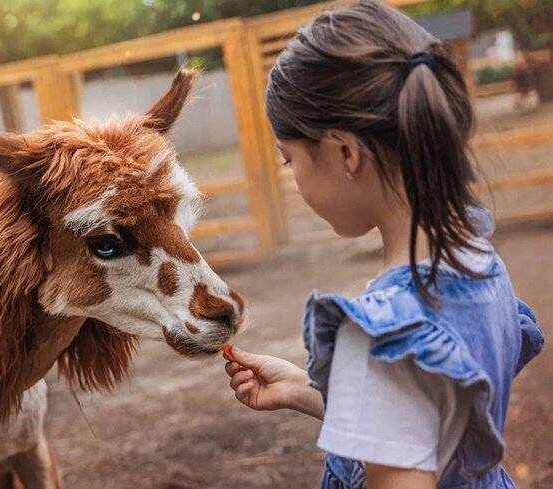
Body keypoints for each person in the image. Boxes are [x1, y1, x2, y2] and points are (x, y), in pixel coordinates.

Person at [223, 1, 544, 488]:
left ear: (346, 153)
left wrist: (360, 368)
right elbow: (427, 421)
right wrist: (308, 391)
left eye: (290, 161)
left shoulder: (384, 334)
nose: (293, 178)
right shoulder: (476, 262)